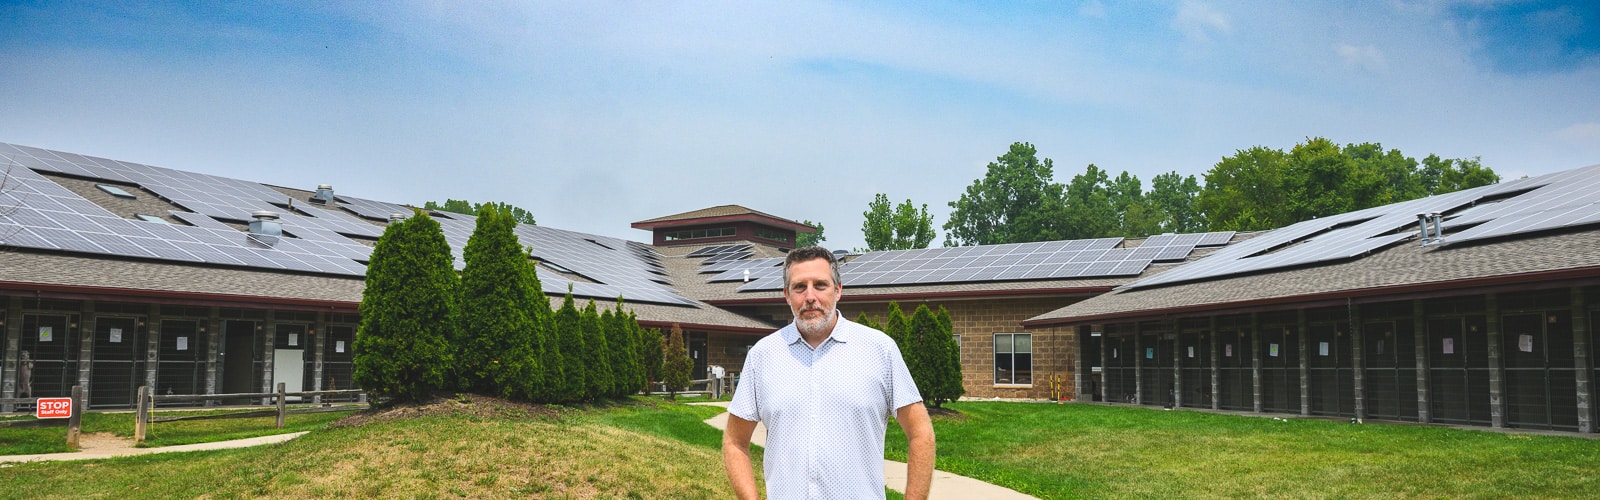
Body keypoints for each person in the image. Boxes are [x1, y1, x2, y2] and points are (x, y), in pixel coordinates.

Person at [722, 246, 935, 499]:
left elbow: (921, 433)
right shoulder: (763, 356)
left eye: (820, 285)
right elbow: (735, 442)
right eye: (799, 287)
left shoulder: (879, 350)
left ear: (838, 290)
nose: (810, 296)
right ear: (787, 295)